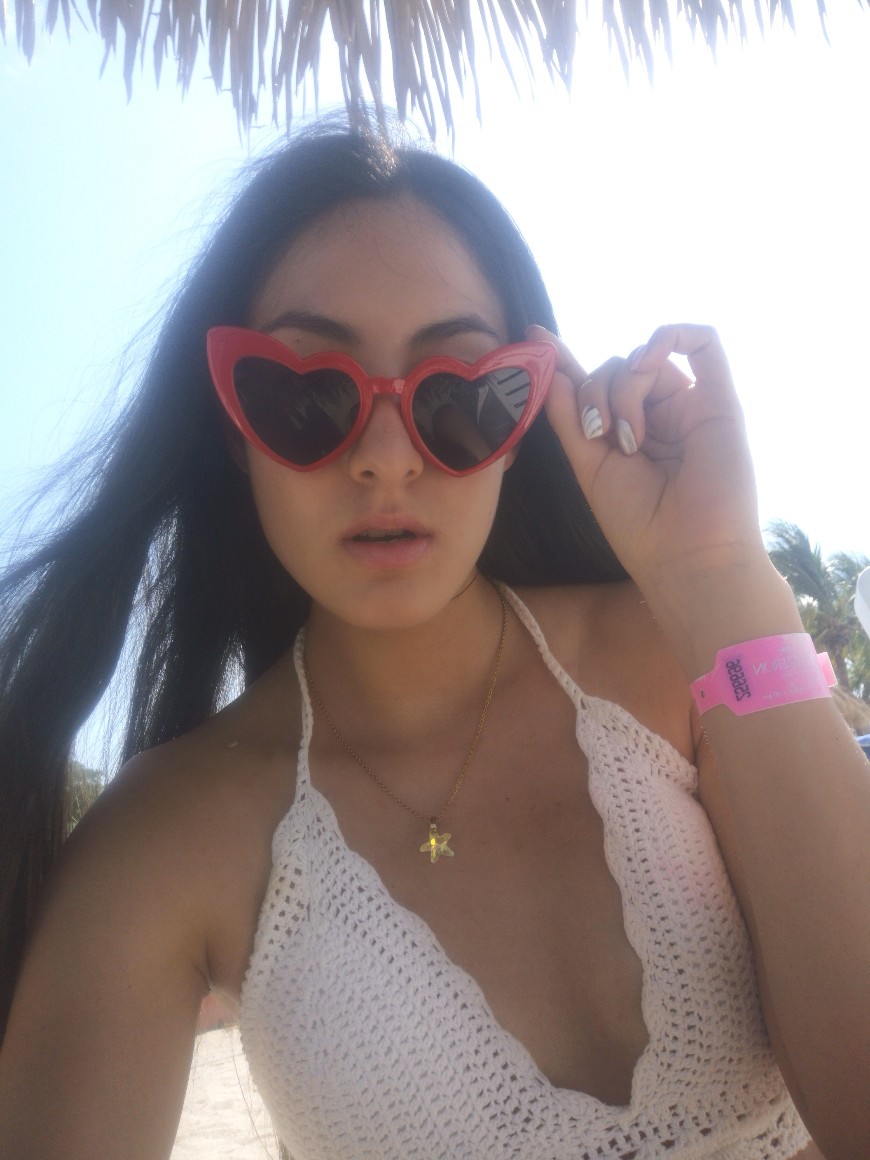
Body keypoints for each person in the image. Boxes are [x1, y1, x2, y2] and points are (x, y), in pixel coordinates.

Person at [0, 116, 867, 1160]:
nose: (386, 456)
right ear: (235, 427)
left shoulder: (675, 662)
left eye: (459, 397)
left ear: (522, 420)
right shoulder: (168, 841)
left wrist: (720, 576)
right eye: (306, 395)